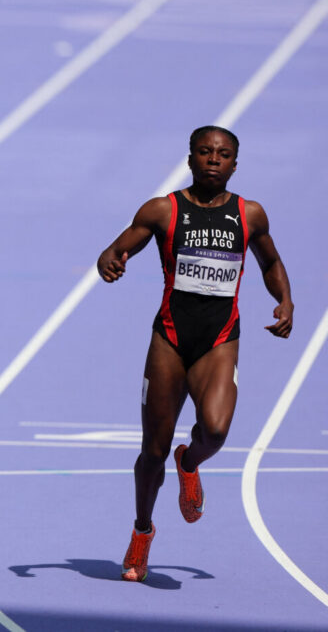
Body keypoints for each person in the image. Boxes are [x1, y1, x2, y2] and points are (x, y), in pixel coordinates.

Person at [97, 125, 292, 582]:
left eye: (222, 154)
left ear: (235, 165)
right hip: (169, 340)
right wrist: (109, 259)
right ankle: (142, 531)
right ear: (190, 159)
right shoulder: (163, 210)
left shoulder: (250, 214)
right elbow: (119, 247)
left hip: (219, 340)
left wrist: (284, 300)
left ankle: (190, 462)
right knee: (152, 452)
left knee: (217, 430)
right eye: (205, 152)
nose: (213, 159)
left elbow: (270, 261)